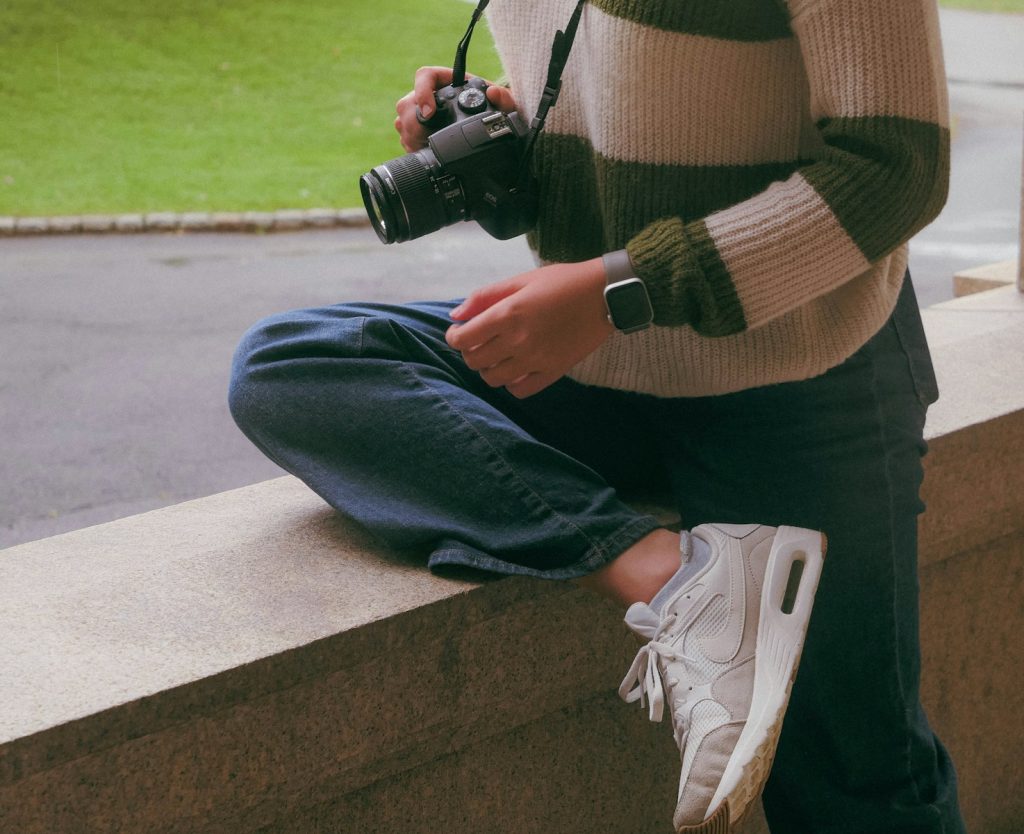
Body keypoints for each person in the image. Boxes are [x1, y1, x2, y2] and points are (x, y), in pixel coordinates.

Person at [229, 1, 966, 831]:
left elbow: (895, 167)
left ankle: (711, 596)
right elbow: (646, 101)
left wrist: (624, 289)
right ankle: (675, 580)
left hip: (801, 372)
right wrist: (511, 122)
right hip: (597, 361)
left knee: (852, 783)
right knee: (293, 365)